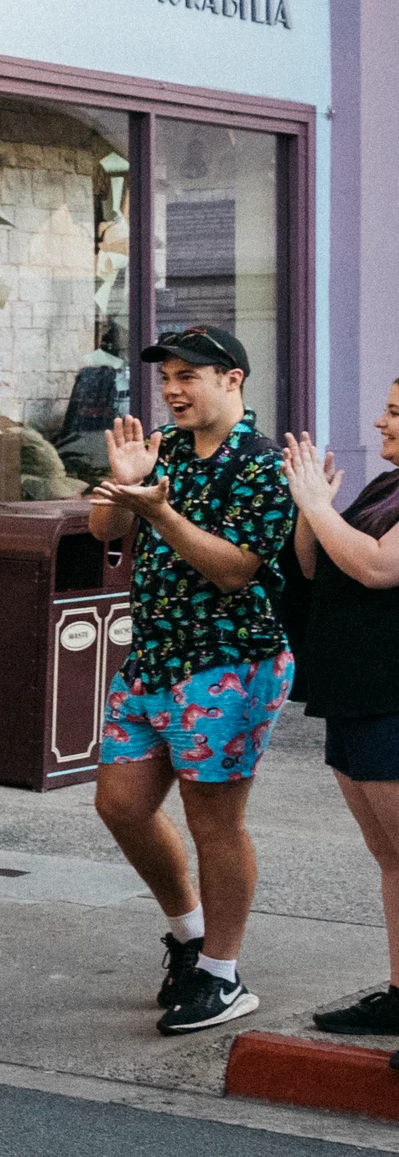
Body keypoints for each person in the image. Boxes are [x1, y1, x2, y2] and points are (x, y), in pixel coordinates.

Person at [86, 323, 297, 1036]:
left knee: (215, 822)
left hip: (229, 662)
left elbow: (234, 569)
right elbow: (103, 529)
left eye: (188, 377)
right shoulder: (165, 448)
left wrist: (160, 511)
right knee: (120, 805)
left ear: (232, 380)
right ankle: (188, 935)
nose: (172, 391)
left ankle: (223, 974)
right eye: (166, 378)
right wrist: (126, 484)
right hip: (153, 657)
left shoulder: (262, 465)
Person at [281, 380, 399, 1043]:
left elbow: (378, 567)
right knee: (389, 855)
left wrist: (318, 506)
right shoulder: (387, 486)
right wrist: (311, 511)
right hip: (351, 692)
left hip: (390, 696)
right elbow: (314, 563)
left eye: (395, 412)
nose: (380, 421)